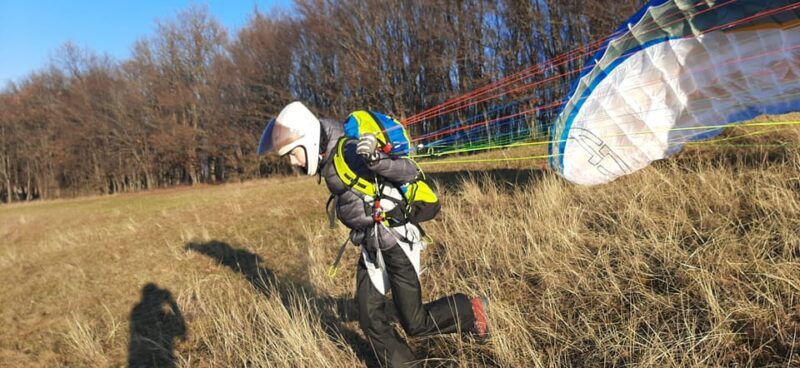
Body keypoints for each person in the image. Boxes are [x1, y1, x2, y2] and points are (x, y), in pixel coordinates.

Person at [257, 101, 489, 367]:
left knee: (415, 323)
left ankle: (472, 311)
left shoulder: (348, 151)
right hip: (371, 246)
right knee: (370, 317)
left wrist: (376, 159)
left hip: (395, 241)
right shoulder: (329, 158)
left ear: (308, 141)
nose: (292, 162)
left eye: (292, 154)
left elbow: (408, 169)